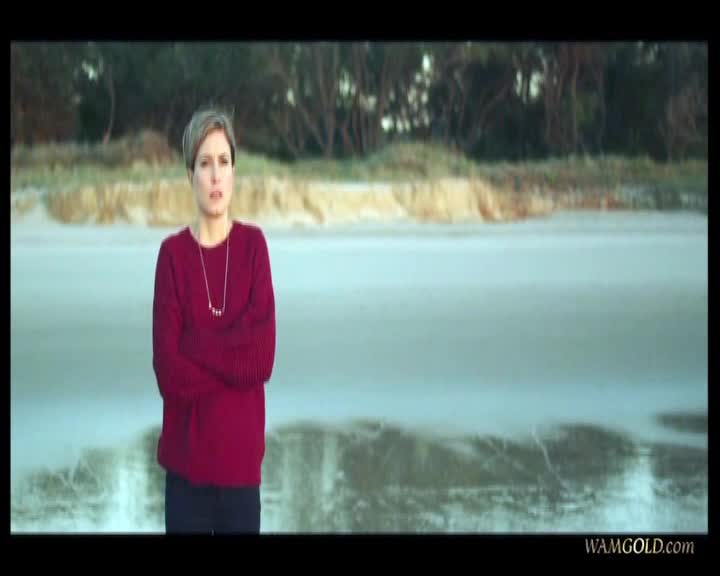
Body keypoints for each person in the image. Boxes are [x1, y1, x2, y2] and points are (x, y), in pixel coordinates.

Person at [152, 107, 276, 534]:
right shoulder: (172, 256)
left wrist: (194, 344)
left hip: (241, 476)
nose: (216, 175)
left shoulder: (254, 247)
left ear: (234, 171)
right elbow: (169, 376)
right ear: (191, 175)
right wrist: (232, 356)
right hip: (185, 478)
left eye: (224, 161)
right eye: (205, 163)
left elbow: (261, 360)